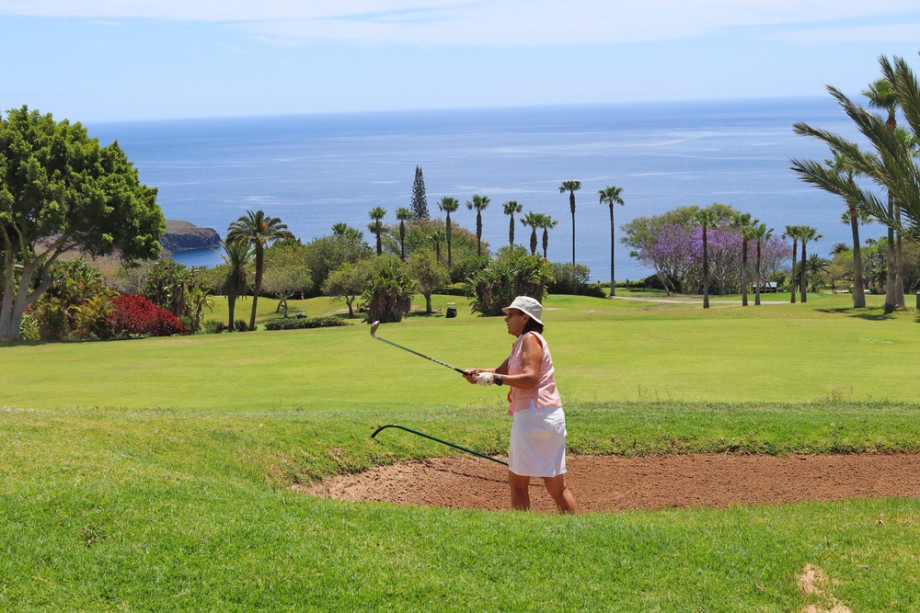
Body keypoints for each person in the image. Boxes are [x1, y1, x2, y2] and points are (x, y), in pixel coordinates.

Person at [464, 296, 576, 514]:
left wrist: (495, 379)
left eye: (511, 315)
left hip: (533, 417)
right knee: (556, 486)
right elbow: (500, 372)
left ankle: (521, 529)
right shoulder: (522, 342)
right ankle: (574, 527)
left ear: (525, 318)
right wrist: (477, 374)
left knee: (518, 483)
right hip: (548, 416)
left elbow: (529, 378)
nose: (506, 319)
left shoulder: (530, 339)